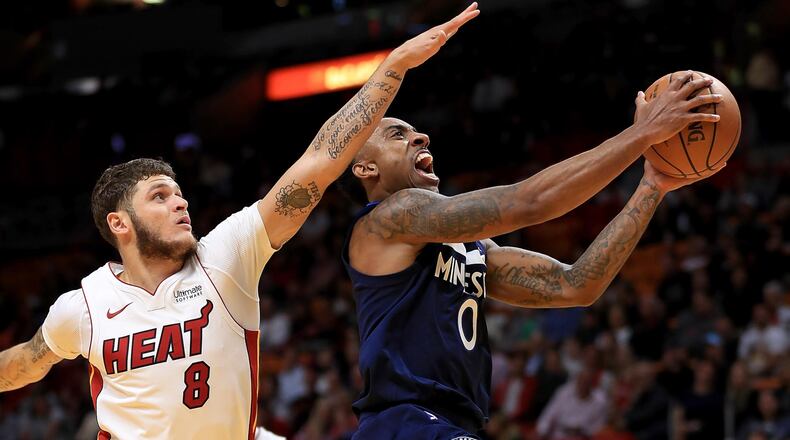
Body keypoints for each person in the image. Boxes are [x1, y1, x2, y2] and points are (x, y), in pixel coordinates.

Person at [0, 4, 481, 439]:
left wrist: (391, 68)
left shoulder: (225, 255)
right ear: (120, 224)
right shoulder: (82, 305)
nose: (180, 203)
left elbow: (317, 162)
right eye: (160, 197)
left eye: (181, 194)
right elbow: (25, 363)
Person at [338, 71, 724, 438]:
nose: (421, 137)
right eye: (397, 134)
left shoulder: (470, 250)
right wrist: (643, 133)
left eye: (416, 132)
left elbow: (576, 286)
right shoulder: (386, 219)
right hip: (405, 423)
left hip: (449, 424)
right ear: (365, 167)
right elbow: (530, 202)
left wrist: (652, 184)